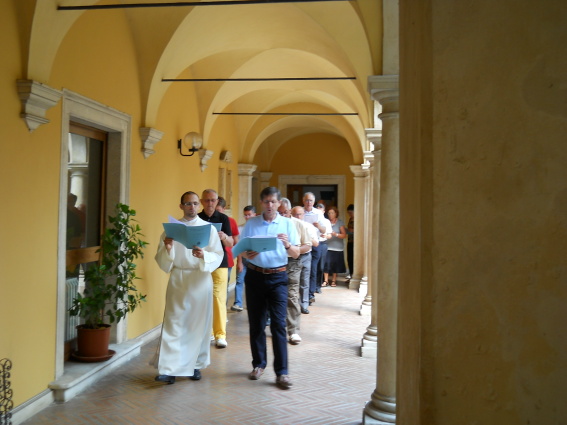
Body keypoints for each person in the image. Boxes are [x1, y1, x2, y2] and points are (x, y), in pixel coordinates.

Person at [152, 191, 224, 384]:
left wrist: (204, 256)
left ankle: (195, 365)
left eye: (194, 204)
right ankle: (168, 369)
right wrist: (168, 249)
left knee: (197, 325)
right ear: (181, 206)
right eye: (188, 204)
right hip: (178, 278)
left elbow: (218, 255)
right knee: (174, 324)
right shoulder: (171, 229)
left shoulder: (207, 229)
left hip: (200, 279)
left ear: (198, 206)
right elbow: (162, 259)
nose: (192, 207)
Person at [240, 187, 299, 389]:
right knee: (256, 324)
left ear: (279, 202)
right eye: (266, 201)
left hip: (278, 277)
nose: (269, 205)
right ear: (261, 202)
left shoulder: (287, 224)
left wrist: (287, 245)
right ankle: (258, 364)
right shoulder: (251, 223)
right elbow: (241, 249)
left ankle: (282, 372)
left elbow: (296, 253)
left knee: (278, 325)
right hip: (255, 275)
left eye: (273, 201)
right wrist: (247, 254)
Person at [198, 189, 233, 348]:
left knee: (218, 298)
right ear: (202, 201)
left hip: (220, 263)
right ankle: (207, 332)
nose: (210, 203)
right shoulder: (197, 218)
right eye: (207, 200)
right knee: (202, 297)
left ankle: (220, 334)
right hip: (201, 262)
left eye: (213, 200)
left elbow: (231, 243)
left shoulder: (224, 218)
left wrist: (224, 237)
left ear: (217, 201)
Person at [278, 198, 312, 344]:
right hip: (275, 262)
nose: (282, 215)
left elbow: (308, 245)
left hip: (293, 262)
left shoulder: (299, 224)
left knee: (291, 295)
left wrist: (294, 249)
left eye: (285, 212)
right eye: (279, 212)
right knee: (276, 296)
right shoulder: (273, 224)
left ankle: (293, 331)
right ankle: (278, 328)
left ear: (290, 211)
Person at [291, 206, 318, 314]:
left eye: (300, 214)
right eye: (296, 214)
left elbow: (316, 243)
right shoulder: (290, 225)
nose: (298, 216)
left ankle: (304, 305)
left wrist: (304, 236)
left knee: (304, 281)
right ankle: (292, 305)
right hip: (292, 257)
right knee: (293, 282)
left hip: (306, 255)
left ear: (304, 215)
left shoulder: (308, 227)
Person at [302, 192, 328, 305]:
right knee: (303, 270)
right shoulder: (299, 212)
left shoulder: (318, 213)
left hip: (315, 244)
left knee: (312, 269)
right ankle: (302, 294)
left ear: (314, 202)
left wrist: (318, 226)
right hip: (302, 244)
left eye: (311, 201)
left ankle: (310, 294)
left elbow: (324, 230)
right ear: (303, 201)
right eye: (307, 200)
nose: (309, 203)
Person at [231, 205, 256, 312]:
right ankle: (238, 303)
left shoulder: (258, 228)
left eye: (249, 215)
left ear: (254, 214)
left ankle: (255, 303)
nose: (247, 217)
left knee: (254, 283)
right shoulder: (240, 228)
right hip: (244, 258)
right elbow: (238, 247)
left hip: (255, 260)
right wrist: (239, 262)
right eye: (245, 215)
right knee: (239, 280)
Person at [216, 196, 239, 300]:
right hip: (210, 257)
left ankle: (222, 314)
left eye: (218, 211)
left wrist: (240, 261)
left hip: (227, 259)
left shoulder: (230, 221)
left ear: (224, 209)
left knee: (224, 288)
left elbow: (236, 241)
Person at [323, 206, 348, 286]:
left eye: (332, 213)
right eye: (329, 213)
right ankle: (326, 280)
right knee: (326, 264)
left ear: (336, 213)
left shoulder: (340, 222)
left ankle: (333, 280)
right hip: (327, 246)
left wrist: (336, 234)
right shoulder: (326, 222)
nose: (330, 214)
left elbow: (344, 235)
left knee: (335, 265)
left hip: (337, 248)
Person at [315, 203, 332, 290]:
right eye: (317, 210)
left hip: (323, 244)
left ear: (323, 211)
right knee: (314, 266)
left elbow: (330, 235)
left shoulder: (326, 222)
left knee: (321, 266)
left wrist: (325, 236)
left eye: (320, 210)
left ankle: (318, 285)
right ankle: (313, 286)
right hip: (314, 244)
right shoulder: (313, 221)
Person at [345, 204, 354, 282]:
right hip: (350, 241)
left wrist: (348, 230)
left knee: (354, 260)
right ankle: (351, 275)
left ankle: (354, 276)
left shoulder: (357, 219)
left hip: (355, 242)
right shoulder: (350, 219)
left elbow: (354, 230)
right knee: (349, 259)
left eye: (351, 213)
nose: (350, 214)